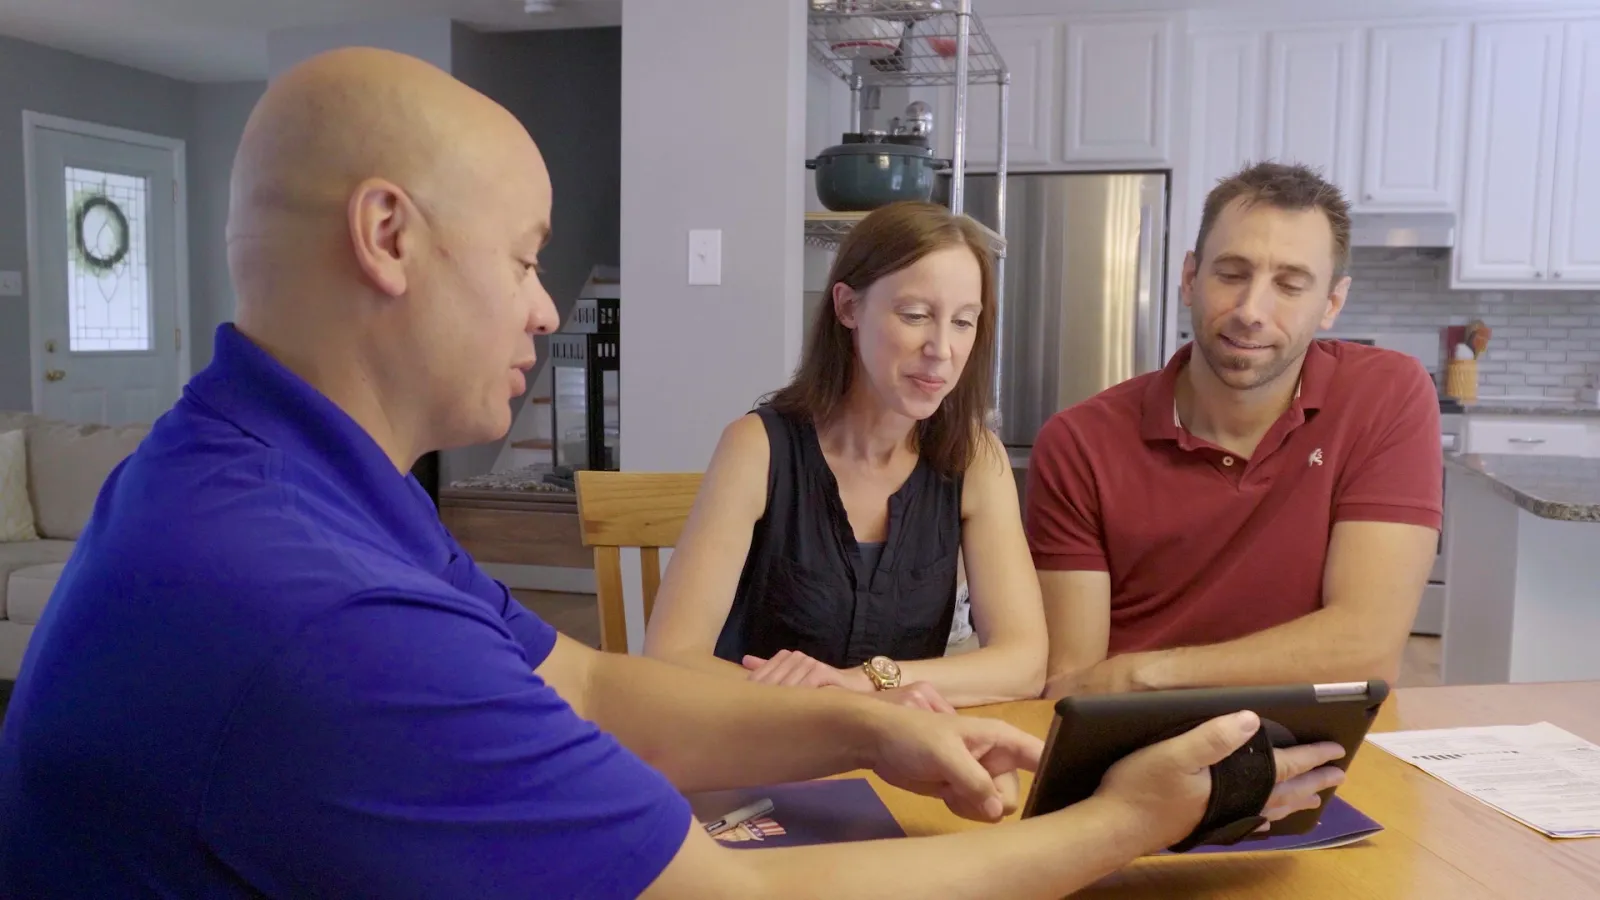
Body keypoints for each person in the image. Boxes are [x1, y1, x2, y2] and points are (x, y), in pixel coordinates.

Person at [0, 51, 1345, 899]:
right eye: (526, 256)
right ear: (388, 235)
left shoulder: (283, 478)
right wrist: (1129, 823)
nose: (545, 308)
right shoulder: (313, 610)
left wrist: (867, 726)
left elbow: (583, 682)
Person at [1025, 161, 1443, 699]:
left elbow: (1367, 648)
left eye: (1290, 285)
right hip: (1132, 748)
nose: (1251, 311)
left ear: (1331, 304)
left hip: (1306, 741)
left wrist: (1143, 672)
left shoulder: (1386, 394)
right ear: (1189, 278)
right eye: (1231, 274)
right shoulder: (1079, 443)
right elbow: (1070, 686)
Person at [642, 202, 1046, 711]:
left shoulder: (975, 458)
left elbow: (1025, 663)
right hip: (763, 751)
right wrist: (826, 706)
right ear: (848, 307)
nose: (942, 348)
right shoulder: (756, 448)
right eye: (915, 315)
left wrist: (865, 682)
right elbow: (670, 658)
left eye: (964, 322)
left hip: (899, 758)